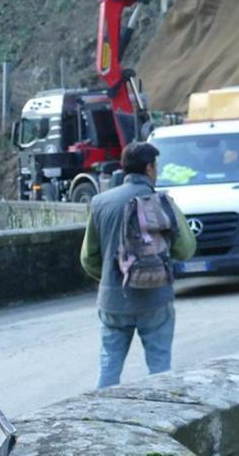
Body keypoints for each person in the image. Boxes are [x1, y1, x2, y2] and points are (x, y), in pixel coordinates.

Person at [80, 142, 196, 388]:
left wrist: (114, 278)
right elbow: (185, 249)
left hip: (113, 300)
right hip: (155, 297)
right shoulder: (163, 203)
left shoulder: (100, 203)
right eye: (156, 166)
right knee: (160, 368)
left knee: (109, 367)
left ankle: (102, 416)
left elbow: (88, 258)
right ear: (150, 168)